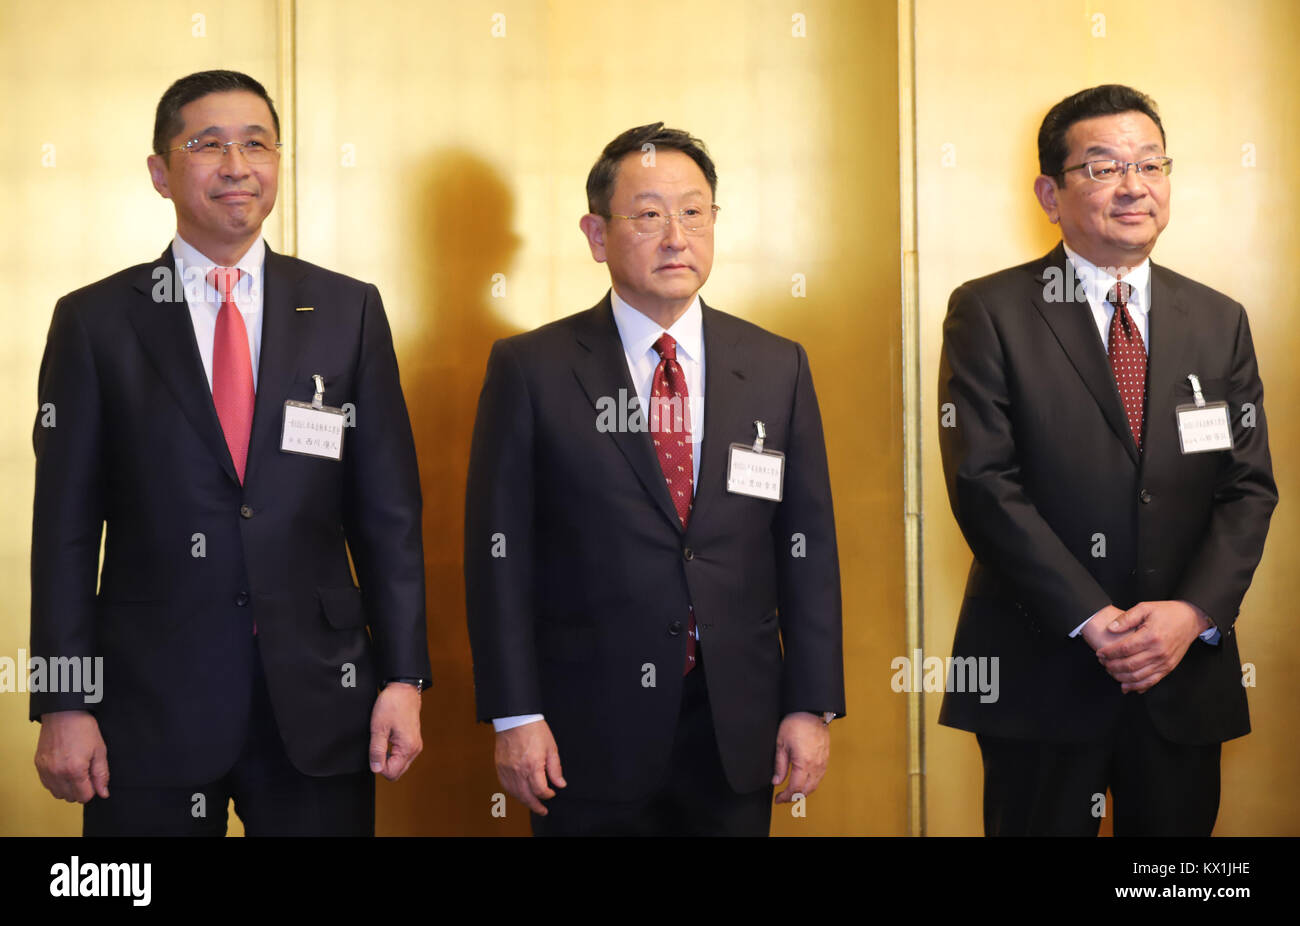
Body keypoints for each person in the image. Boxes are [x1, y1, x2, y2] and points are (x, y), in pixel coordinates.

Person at [30, 69, 430, 836]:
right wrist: (62, 700)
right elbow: (65, 535)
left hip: (319, 698)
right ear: (160, 171)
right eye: (207, 144)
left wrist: (404, 676)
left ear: (277, 162)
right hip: (146, 707)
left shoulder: (346, 310)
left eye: (256, 144)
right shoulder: (95, 322)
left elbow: (388, 515)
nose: (236, 165)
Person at [464, 123, 845, 835]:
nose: (677, 236)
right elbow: (498, 557)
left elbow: (808, 549)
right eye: (648, 215)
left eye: (694, 212)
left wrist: (809, 703)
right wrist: (516, 713)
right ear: (596, 234)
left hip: (736, 723)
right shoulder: (532, 369)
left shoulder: (775, 365)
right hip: (583, 727)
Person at [937, 84, 1277, 836]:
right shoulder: (989, 312)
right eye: (1103, 167)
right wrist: (1095, 622)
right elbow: (983, 484)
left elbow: (1248, 487)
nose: (1134, 187)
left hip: (1184, 672)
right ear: (1049, 193)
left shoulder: (1218, 320)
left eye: (1150, 165)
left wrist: (1190, 615)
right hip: (1042, 670)